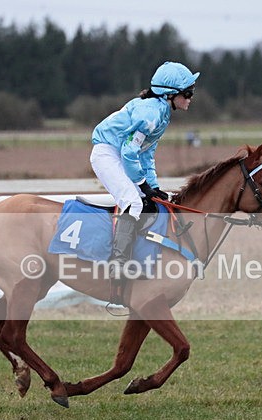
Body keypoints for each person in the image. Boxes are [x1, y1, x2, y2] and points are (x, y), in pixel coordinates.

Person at [90, 61, 200, 304]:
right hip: (108, 154)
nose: (191, 98)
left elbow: (146, 155)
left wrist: (153, 186)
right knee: (133, 202)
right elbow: (130, 152)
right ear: (170, 94)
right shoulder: (150, 112)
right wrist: (142, 185)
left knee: (149, 202)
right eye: (188, 93)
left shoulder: (162, 113)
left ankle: (138, 257)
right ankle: (118, 264)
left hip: (121, 154)